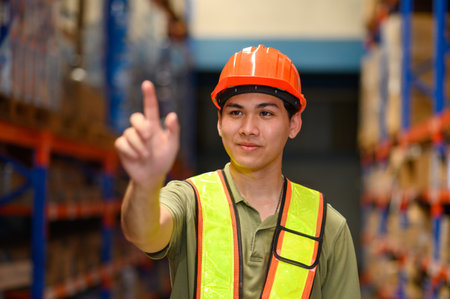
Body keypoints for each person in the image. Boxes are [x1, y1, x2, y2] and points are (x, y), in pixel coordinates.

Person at [115, 44, 360, 298]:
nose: (248, 128)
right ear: (220, 123)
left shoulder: (327, 226)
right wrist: (145, 183)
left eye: (265, 113)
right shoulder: (190, 200)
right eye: (236, 112)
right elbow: (143, 233)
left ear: (293, 124)